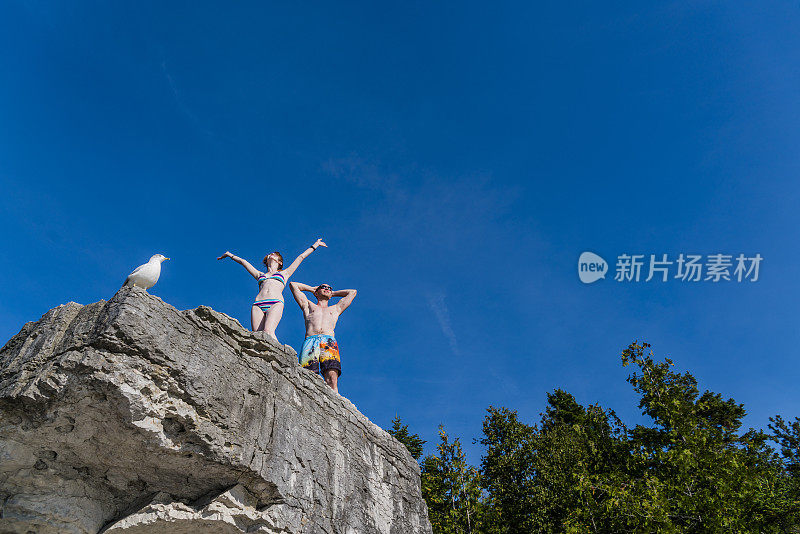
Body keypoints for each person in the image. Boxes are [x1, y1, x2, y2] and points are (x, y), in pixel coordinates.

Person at [217, 238, 327, 341]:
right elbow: (244, 262)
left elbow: (301, 257)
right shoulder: (259, 274)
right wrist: (229, 254)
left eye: (274, 255)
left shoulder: (285, 273)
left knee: (268, 331)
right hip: (258, 304)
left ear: (280, 262)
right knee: (256, 335)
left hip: (275, 303)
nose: (271, 255)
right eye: (270, 254)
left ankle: (282, 357)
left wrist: (315, 245)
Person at [289, 281, 357, 394]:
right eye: (323, 287)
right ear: (316, 292)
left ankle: (335, 399)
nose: (327, 289)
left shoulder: (335, 309)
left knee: (331, 376)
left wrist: (332, 293)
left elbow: (352, 292)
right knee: (307, 375)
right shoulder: (308, 305)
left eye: (329, 288)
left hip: (328, 341)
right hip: (311, 340)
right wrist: (312, 289)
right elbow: (293, 285)